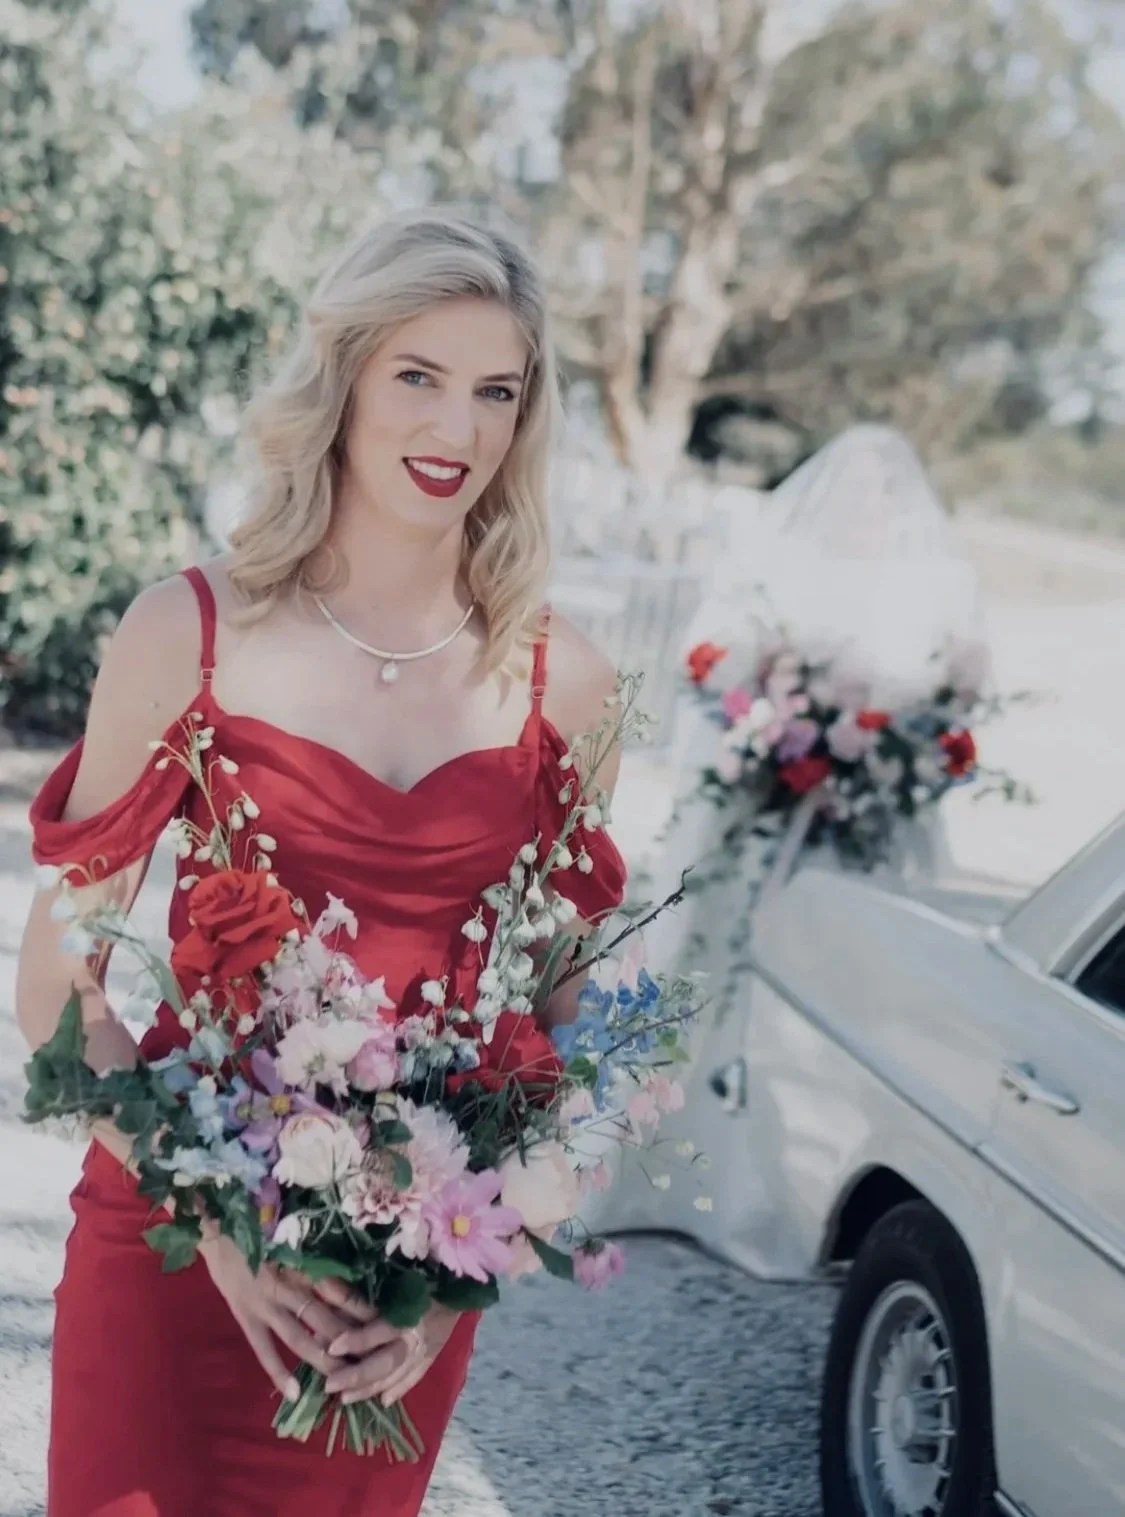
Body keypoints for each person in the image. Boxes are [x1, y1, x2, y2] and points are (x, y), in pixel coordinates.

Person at [16, 206, 627, 1517]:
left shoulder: (563, 685)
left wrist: (462, 1275)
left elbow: (567, 1022)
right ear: (344, 378)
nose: (455, 432)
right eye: (417, 376)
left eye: (494, 392)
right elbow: (55, 989)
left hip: (393, 1304)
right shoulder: (187, 633)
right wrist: (220, 1232)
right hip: (175, 1252)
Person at [583, 423, 985, 1272]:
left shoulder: (936, 581)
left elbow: (954, 698)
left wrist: (883, 747)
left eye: (882, 490)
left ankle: (809, 1191)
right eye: (853, 488)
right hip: (757, 815)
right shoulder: (775, 562)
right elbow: (716, 666)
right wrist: (775, 719)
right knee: (708, 976)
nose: (866, 504)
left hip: (861, 828)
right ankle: (656, 1166)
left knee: (836, 1005)